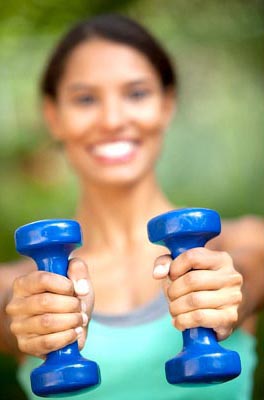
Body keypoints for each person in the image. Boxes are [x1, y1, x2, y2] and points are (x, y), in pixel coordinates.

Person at [1, 13, 264, 400]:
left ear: (167, 104)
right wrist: (29, 322)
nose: (112, 119)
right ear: (53, 116)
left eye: (137, 93)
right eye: (85, 98)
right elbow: (9, 317)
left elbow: (248, 275)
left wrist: (224, 296)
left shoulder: (244, 246)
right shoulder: (17, 289)